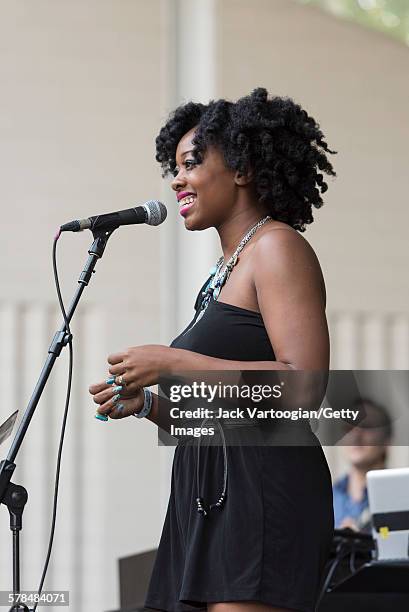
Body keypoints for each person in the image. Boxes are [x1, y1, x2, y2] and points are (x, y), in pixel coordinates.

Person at [89, 88, 337, 612]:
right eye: (174, 168)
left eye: (192, 163)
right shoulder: (224, 273)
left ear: (243, 168)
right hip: (210, 495)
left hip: (263, 494)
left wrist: (173, 360)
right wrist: (153, 406)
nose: (177, 179)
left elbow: (305, 386)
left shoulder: (276, 247)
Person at [333, 398, 393, 532]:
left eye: (366, 427)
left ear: (386, 442)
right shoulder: (328, 497)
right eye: (349, 427)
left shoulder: (401, 496)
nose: (355, 435)